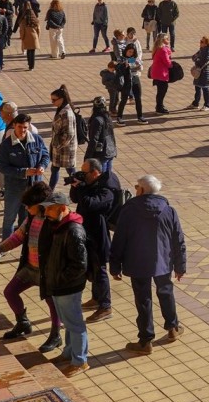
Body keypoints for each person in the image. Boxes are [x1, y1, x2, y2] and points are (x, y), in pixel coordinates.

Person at [110, 174, 187, 353]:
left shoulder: (128, 211)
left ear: (142, 190)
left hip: (137, 263)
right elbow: (178, 240)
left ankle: (145, 341)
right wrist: (180, 265)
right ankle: (172, 328)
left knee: (143, 300)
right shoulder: (169, 210)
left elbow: (119, 239)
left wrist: (115, 266)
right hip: (163, 262)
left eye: (137, 186)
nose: (135, 189)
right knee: (166, 292)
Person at [0, 183, 61, 350]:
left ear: (41, 205)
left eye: (29, 206)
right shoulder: (31, 218)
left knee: (52, 303)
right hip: (29, 267)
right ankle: (23, 323)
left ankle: (56, 335)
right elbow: (18, 236)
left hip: (46, 272)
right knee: (10, 292)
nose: (27, 209)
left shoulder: (53, 220)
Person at [39, 189, 90, 376]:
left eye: (50, 210)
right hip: (59, 286)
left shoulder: (74, 231)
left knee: (75, 324)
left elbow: (80, 265)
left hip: (68, 287)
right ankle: (69, 353)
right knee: (68, 323)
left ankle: (80, 361)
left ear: (62, 208)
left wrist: (61, 279)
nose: (46, 214)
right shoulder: (58, 225)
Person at [70, 158, 118, 323]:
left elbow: (91, 204)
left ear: (95, 172)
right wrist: (75, 186)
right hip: (87, 232)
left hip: (99, 235)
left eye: (85, 173)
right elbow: (77, 200)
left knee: (100, 270)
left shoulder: (107, 189)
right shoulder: (90, 185)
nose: (83, 176)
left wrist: (82, 188)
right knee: (92, 267)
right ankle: (96, 299)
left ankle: (105, 306)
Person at [0, 113, 51, 238]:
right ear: (14, 126)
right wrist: (24, 172)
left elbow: (45, 155)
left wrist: (42, 166)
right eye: (20, 127)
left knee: (27, 218)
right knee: (9, 218)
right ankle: (5, 245)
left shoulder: (37, 139)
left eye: (25, 127)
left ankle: (24, 243)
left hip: (33, 188)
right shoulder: (6, 145)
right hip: (14, 188)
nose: (22, 130)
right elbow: (3, 167)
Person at [49, 86, 79, 188]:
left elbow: (69, 134)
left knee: (71, 172)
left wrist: (57, 145)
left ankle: (77, 190)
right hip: (59, 148)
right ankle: (49, 191)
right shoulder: (60, 109)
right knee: (55, 169)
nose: (52, 102)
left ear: (61, 99)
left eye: (54, 100)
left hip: (66, 149)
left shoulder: (67, 113)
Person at [83, 96, 119, 177]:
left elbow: (94, 140)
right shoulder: (107, 117)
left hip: (101, 153)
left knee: (101, 177)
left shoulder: (96, 120)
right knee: (108, 177)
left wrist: (88, 156)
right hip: (110, 151)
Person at [116, 42, 146, 124]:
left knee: (138, 98)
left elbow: (140, 67)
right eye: (129, 51)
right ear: (126, 51)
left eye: (132, 52)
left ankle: (140, 116)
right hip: (126, 80)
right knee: (124, 99)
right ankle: (119, 117)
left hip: (135, 78)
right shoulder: (121, 59)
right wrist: (124, 66)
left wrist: (137, 65)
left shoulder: (135, 58)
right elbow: (118, 69)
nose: (131, 53)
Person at [150, 34, 174, 114]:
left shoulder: (158, 48)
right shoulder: (163, 50)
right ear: (163, 40)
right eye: (167, 39)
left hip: (157, 72)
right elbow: (167, 62)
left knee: (160, 91)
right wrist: (172, 65)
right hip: (161, 73)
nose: (169, 40)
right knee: (162, 91)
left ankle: (159, 105)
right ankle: (159, 107)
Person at [188, 36, 209, 110]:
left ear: (206, 43)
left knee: (205, 88)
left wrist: (197, 59)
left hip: (205, 72)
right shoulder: (201, 50)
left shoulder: (208, 51)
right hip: (199, 71)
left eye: (202, 42)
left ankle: (207, 105)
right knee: (197, 87)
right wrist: (197, 59)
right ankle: (196, 103)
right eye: (200, 41)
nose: (200, 43)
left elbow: (202, 62)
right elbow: (193, 57)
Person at [17, 1, 41, 71]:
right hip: (34, 36)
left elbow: (22, 30)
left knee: (28, 50)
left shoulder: (23, 19)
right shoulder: (34, 18)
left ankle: (29, 63)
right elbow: (38, 29)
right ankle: (32, 66)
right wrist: (37, 36)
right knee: (32, 52)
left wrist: (22, 37)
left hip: (26, 36)